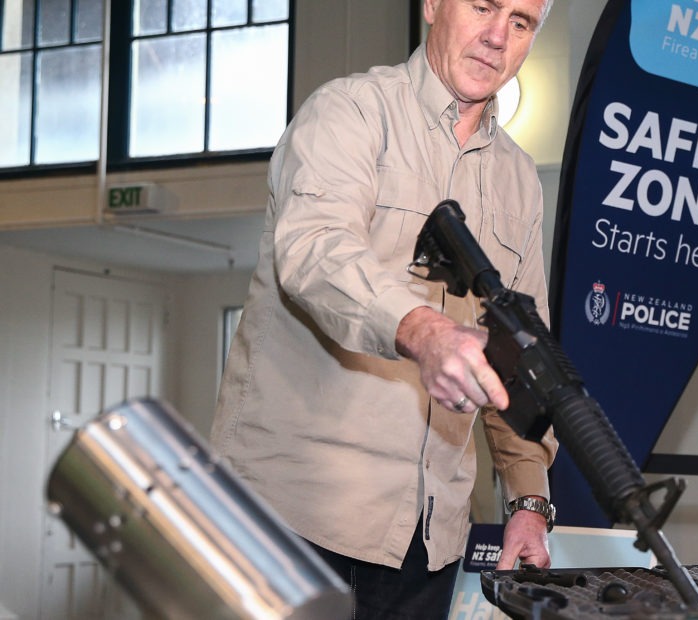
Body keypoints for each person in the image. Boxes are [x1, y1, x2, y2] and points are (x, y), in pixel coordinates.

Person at [209, 0, 557, 617]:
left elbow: (521, 348)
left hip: (427, 540)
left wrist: (527, 502)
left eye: (522, 21)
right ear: (432, 6)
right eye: (483, 5)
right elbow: (315, 251)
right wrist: (423, 329)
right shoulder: (349, 113)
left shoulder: (520, 180)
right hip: (294, 515)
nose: (497, 36)